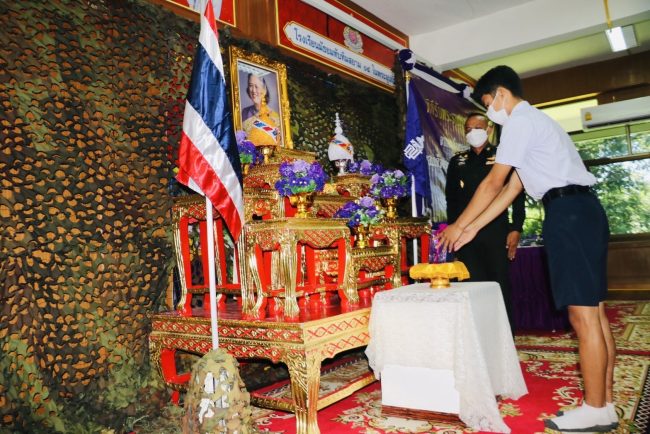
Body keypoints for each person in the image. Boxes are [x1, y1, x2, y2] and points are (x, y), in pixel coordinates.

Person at [437, 65, 617, 433]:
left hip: (567, 214)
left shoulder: (519, 122)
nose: (489, 114)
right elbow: (510, 191)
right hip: (583, 212)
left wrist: (456, 224)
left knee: (583, 316)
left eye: (488, 103)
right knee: (595, 313)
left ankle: (596, 408)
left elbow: (492, 183)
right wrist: (470, 229)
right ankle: (606, 402)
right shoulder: (537, 124)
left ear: (501, 94)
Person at [445, 112, 525, 334]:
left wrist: (516, 228)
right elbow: (452, 200)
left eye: (477, 127)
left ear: (489, 129)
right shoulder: (457, 161)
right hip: (465, 234)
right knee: (472, 284)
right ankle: (478, 334)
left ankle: (505, 334)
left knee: (498, 282)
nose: (473, 133)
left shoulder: (502, 156)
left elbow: (517, 194)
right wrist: (454, 233)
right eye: (468, 129)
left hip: (495, 230)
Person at [241, 73, 281, 146]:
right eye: (250, 86)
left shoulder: (275, 117)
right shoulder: (244, 113)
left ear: (264, 89)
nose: (253, 90)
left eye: (256, 86)